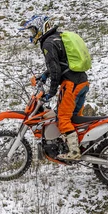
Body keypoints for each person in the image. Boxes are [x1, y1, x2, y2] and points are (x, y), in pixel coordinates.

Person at [20, 15, 89, 161]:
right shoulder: (58, 37)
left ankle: (75, 152)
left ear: (41, 28)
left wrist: (51, 93)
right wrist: (45, 76)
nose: (32, 35)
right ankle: (80, 146)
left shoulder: (48, 44)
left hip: (71, 85)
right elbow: (60, 64)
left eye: (33, 31)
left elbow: (56, 70)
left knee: (63, 118)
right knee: (74, 119)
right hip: (82, 82)